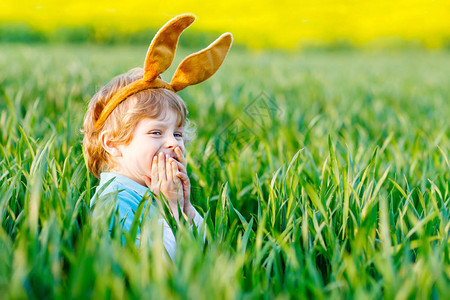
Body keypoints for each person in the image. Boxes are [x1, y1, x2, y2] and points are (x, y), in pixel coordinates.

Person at [81, 14, 232, 260]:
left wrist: (186, 207)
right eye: (156, 132)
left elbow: (207, 251)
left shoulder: (150, 191)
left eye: (178, 133)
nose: (174, 142)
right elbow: (153, 268)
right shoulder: (114, 202)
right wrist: (169, 209)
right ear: (113, 144)